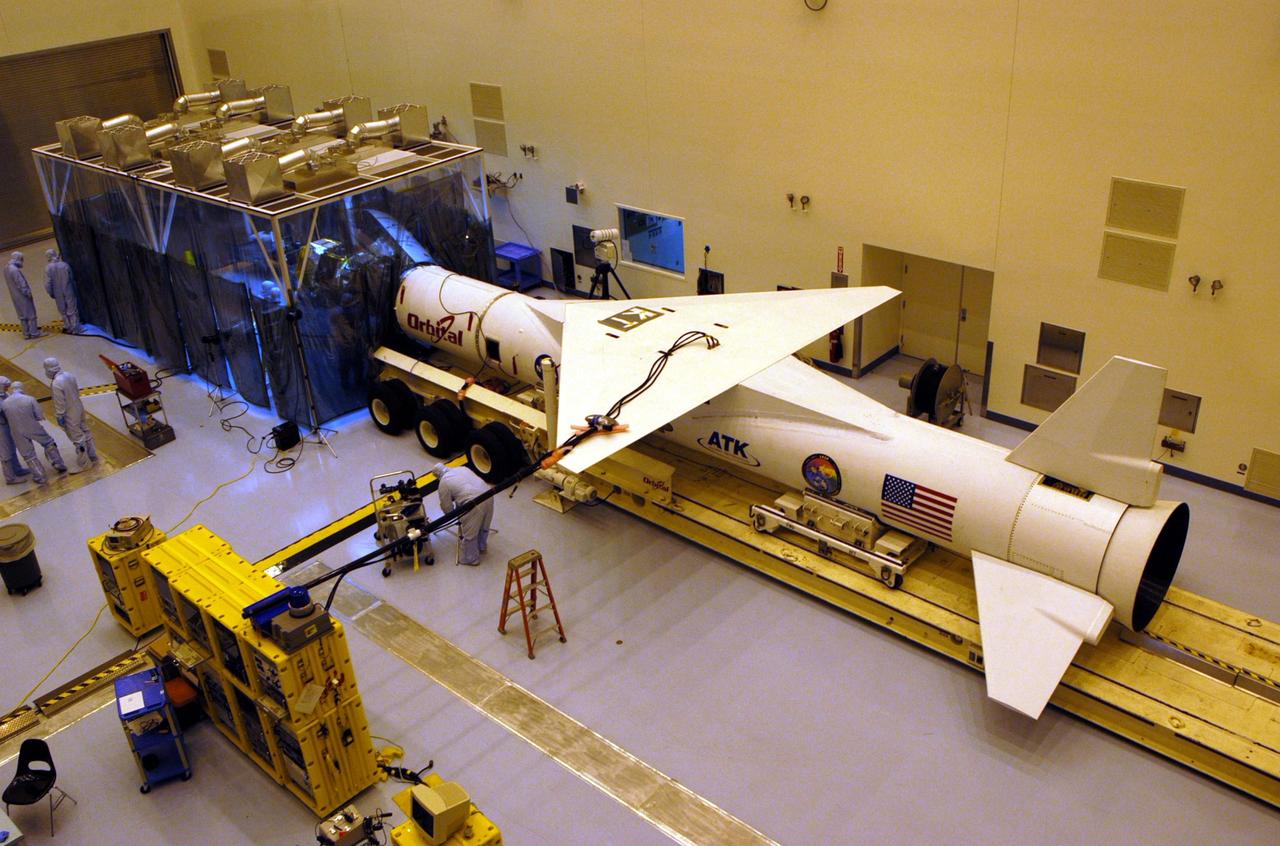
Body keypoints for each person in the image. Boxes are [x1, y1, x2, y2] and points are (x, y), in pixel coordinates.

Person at [429, 462, 494, 566]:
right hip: (488, 493)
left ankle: (471, 559)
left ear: (437, 475)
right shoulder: (462, 468)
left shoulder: (443, 482)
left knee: (470, 533)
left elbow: (447, 508)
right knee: (484, 524)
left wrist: (456, 516)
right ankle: (481, 546)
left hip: (473, 503)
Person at [1, 381, 67, 484]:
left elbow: (5, 419)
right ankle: (58, 464)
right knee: (48, 443)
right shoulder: (29, 399)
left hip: (16, 431)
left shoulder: (5, 403)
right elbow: (39, 416)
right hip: (33, 427)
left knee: (28, 455)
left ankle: (40, 476)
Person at [45, 357, 98, 470]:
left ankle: (84, 463)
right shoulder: (69, 375)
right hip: (79, 407)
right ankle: (93, 456)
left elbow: (60, 403)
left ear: (49, 370)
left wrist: (60, 416)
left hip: (69, 413)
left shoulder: (56, 384)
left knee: (77, 438)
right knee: (86, 431)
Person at [4, 252, 44, 339]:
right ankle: (34, 332)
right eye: (22, 259)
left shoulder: (6, 268)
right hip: (22, 296)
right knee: (31, 315)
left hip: (15, 296)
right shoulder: (14, 270)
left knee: (22, 316)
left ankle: (26, 333)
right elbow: (21, 284)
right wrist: (28, 293)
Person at [0, 377, 32, 485]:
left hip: (6, 426)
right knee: (5, 452)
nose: (6, 389)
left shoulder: (4, 395)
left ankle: (17, 469)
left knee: (12, 448)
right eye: (5, 387)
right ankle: (10, 477)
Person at [43, 249, 81, 334]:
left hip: (57, 292)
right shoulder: (64, 265)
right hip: (68, 289)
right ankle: (76, 327)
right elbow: (72, 277)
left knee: (63, 309)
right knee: (72, 308)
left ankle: (68, 326)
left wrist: (51, 293)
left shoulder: (48, 268)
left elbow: (47, 284)